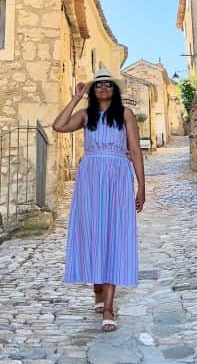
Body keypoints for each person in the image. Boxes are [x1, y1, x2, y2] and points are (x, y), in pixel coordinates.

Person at [52, 67, 145, 332]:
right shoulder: (86, 115)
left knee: (115, 235)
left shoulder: (125, 114)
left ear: (115, 90)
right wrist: (76, 98)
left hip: (118, 177)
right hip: (91, 179)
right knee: (93, 233)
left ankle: (108, 307)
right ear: (93, 91)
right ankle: (97, 289)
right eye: (99, 85)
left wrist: (141, 187)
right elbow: (58, 126)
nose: (103, 88)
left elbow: (135, 150)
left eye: (108, 84)